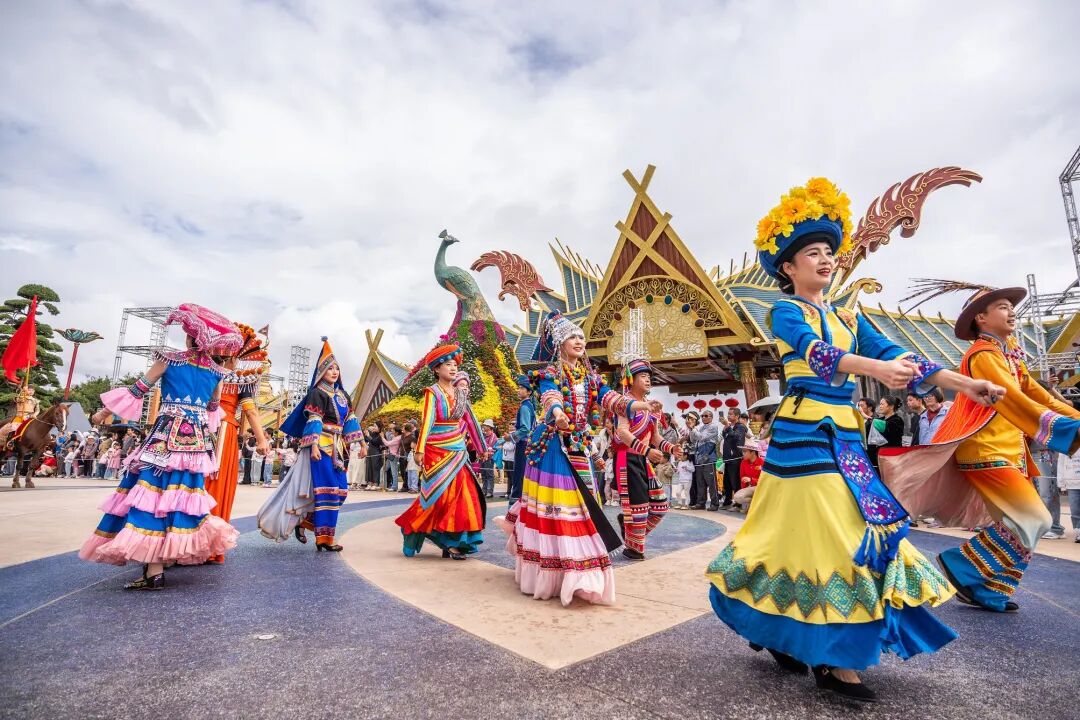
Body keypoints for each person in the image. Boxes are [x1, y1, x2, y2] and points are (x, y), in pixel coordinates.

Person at [705, 178, 1004, 701]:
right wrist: (875, 369)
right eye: (811, 254)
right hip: (803, 437)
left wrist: (967, 384)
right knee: (833, 537)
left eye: (828, 253)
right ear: (789, 269)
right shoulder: (787, 311)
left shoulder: (848, 315)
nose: (824, 260)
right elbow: (817, 355)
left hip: (846, 440)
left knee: (825, 535)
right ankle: (829, 655)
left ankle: (795, 635)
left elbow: (910, 362)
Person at [882, 282, 1080, 613]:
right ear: (981, 319)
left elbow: (1038, 395)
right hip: (986, 450)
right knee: (1035, 519)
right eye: (1002, 307)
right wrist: (1067, 428)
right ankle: (961, 564)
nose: (1011, 311)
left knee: (1014, 526)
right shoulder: (983, 355)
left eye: (1010, 306)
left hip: (1008, 451)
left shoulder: (1009, 354)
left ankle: (990, 590)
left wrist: (1075, 416)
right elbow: (1012, 399)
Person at [79, 303, 243, 589]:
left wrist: (103, 413)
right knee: (181, 499)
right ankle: (161, 562)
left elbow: (139, 389)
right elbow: (214, 408)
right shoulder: (218, 373)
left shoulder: (170, 360)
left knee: (150, 496)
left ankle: (154, 569)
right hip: (194, 445)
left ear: (190, 336)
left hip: (164, 438)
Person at [496, 311, 653, 605]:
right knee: (560, 509)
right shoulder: (550, 374)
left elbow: (611, 399)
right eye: (572, 337)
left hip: (579, 446)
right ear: (559, 342)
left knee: (585, 508)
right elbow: (551, 396)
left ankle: (580, 572)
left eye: (581, 336)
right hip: (552, 446)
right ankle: (560, 570)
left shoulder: (592, 378)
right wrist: (557, 414)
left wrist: (640, 403)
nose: (579, 341)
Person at [258, 338, 362, 551]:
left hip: (338, 448)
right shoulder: (317, 393)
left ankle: (306, 521)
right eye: (329, 368)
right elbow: (314, 419)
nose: (334, 372)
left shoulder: (343, 395)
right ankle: (324, 539)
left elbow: (350, 419)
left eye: (337, 368)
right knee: (327, 491)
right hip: (321, 445)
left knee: (341, 491)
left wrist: (361, 442)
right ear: (321, 371)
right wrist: (313, 445)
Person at [395, 343, 488, 559]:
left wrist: (482, 448)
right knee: (438, 497)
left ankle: (455, 541)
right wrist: (419, 450)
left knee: (464, 496)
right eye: (448, 364)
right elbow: (426, 421)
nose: (453, 368)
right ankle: (412, 527)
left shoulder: (460, 394)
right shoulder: (432, 393)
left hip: (458, 450)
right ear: (437, 369)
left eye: (455, 364)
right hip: (436, 452)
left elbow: (471, 421)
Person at [203, 323, 271, 562]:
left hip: (197, 429)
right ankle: (209, 546)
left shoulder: (204, 370)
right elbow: (251, 412)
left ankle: (183, 541)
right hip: (224, 431)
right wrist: (262, 439)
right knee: (218, 485)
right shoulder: (242, 379)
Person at [611, 357, 681, 559]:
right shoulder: (623, 403)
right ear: (631, 380)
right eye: (643, 376)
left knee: (659, 506)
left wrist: (670, 448)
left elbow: (656, 438)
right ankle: (634, 548)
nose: (648, 380)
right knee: (639, 508)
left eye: (649, 377)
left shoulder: (653, 408)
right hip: (628, 459)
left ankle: (630, 532)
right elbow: (622, 433)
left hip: (642, 459)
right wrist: (647, 451)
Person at [506, 375, 535, 504]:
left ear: (529, 392)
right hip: (528, 445)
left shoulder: (524, 407)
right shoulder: (530, 406)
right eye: (518, 388)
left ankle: (515, 508)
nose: (519, 390)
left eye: (522, 388)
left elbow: (525, 429)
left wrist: (510, 437)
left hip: (523, 445)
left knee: (519, 476)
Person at [691, 409, 720, 510]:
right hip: (699, 457)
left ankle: (714, 503)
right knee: (700, 482)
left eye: (706, 416)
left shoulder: (713, 427)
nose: (703, 417)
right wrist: (692, 429)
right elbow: (693, 439)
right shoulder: (700, 427)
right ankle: (701, 503)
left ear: (711, 417)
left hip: (709, 457)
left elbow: (702, 437)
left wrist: (694, 429)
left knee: (711, 482)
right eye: (702, 416)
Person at [720, 407, 748, 508]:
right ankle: (727, 501)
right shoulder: (731, 426)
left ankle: (738, 503)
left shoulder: (740, 427)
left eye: (731, 414)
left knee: (735, 481)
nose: (728, 416)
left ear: (737, 416)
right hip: (728, 458)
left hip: (735, 458)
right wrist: (726, 427)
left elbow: (736, 437)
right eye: (728, 414)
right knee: (726, 482)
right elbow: (726, 436)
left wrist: (727, 426)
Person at [0, 385, 41, 449]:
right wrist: (23, 391)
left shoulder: (35, 401)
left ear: (34, 391)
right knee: (13, 427)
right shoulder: (22, 397)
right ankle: (11, 441)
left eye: (32, 390)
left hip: (30, 416)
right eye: (29, 390)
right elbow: (18, 399)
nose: (31, 391)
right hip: (20, 416)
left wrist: (35, 414)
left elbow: (37, 410)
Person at [731, 438, 765, 512]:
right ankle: (754, 504)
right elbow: (742, 478)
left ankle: (754, 506)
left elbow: (765, 481)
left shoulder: (762, 462)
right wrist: (744, 489)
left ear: (752, 452)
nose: (743, 453)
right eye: (743, 451)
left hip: (760, 487)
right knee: (737, 497)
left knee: (740, 497)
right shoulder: (743, 462)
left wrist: (751, 480)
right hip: (750, 488)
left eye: (745, 451)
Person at [1055, 452, 1080, 543]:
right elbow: (1061, 464)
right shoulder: (1066, 445)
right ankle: (1078, 532)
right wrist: (1061, 483)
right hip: (1072, 484)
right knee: (1075, 511)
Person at [480, 419, 498, 498]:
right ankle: (484, 490)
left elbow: (495, 448)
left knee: (489, 475)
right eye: (484, 425)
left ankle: (490, 491)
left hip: (489, 458)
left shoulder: (494, 437)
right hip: (482, 457)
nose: (484, 426)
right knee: (483, 474)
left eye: (486, 425)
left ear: (490, 427)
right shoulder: (483, 435)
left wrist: (487, 450)